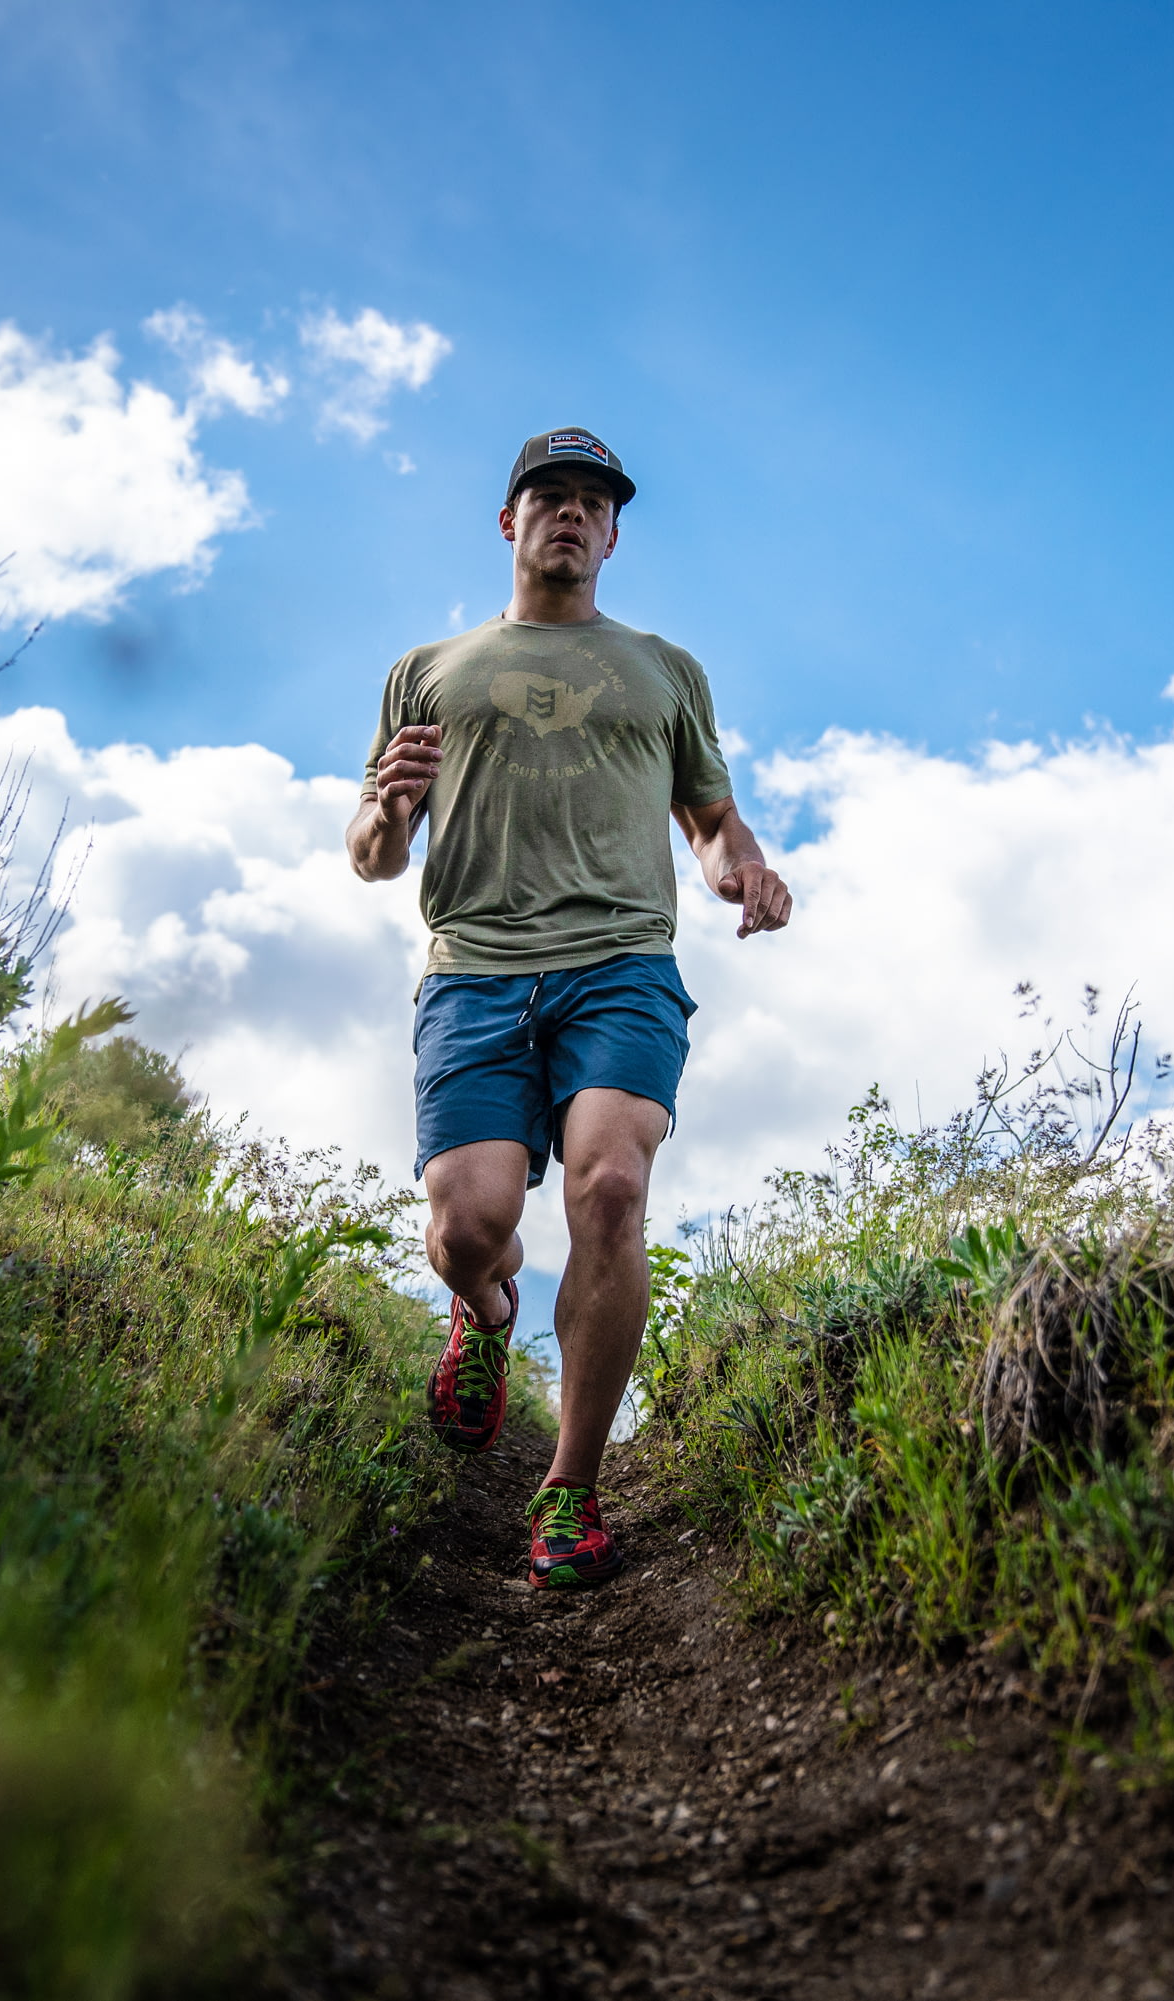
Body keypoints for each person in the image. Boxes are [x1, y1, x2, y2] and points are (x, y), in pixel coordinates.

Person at [349, 426, 793, 1590]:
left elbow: (707, 820)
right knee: (467, 1227)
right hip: (475, 969)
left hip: (621, 964)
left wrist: (742, 868)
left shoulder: (664, 670)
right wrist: (390, 815)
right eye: (549, 495)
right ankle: (484, 1316)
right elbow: (369, 854)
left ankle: (571, 1490)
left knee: (609, 1185)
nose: (570, 515)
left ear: (613, 533)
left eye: (593, 502)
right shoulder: (428, 669)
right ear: (511, 521)